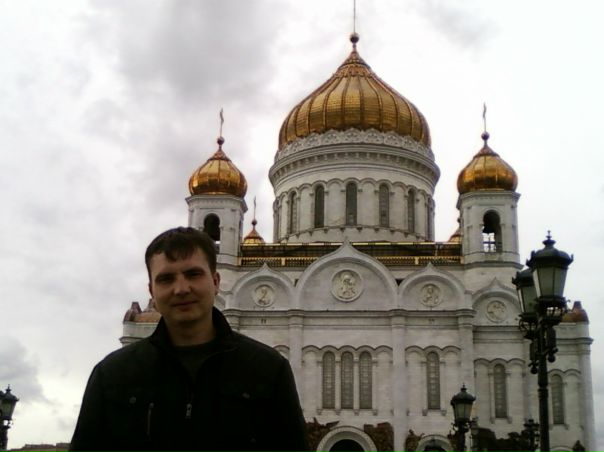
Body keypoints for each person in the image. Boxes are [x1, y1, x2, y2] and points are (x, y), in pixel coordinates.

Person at [69, 227, 310, 452]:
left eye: (193, 274)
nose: (181, 289)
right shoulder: (113, 374)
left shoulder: (267, 369)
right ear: (152, 291)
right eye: (166, 279)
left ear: (215, 282)